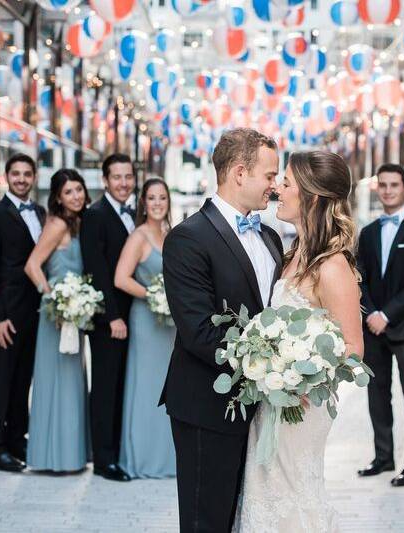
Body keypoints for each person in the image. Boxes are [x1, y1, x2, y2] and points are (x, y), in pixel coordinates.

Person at [162, 128, 283, 532]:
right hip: (207, 405)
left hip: (263, 406)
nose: (275, 185)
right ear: (239, 172)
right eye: (269, 176)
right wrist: (269, 367)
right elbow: (198, 332)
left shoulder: (270, 237)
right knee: (206, 521)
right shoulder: (188, 238)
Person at [235, 151, 363, 532]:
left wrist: (299, 376)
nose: (277, 188)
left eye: (287, 183)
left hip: (302, 406)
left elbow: (354, 348)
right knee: (265, 490)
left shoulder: (333, 266)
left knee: (292, 494)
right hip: (270, 400)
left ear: (313, 196)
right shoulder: (293, 253)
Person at [355, 163, 404, 487]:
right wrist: (371, 313)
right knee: (377, 394)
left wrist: (386, 314)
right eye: (383, 185)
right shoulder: (369, 232)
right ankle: (383, 457)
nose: (388, 190)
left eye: (394, 185)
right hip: (372, 330)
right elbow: (359, 279)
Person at [0, 153, 45, 472]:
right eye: (15, 174)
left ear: (34, 178)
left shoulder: (41, 213)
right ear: (7, 177)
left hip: (34, 312)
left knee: (22, 380)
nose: (21, 179)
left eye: (27, 174)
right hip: (5, 313)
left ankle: (17, 437)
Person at [23, 169, 92, 473]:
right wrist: (53, 299)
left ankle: (68, 455)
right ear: (57, 197)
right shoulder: (57, 224)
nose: (76, 196)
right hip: (56, 316)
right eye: (68, 192)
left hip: (74, 313)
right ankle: (51, 456)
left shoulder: (77, 223)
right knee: (56, 381)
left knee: (72, 381)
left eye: (79, 189)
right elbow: (32, 265)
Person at [80, 153, 137, 482]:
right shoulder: (96, 215)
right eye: (117, 177)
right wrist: (112, 317)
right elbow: (96, 270)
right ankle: (104, 459)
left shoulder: (131, 214)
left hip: (130, 318)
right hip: (108, 322)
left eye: (128, 177)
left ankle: (117, 451)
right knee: (104, 389)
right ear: (105, 181)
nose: (123, 183)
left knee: (119, 386)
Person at [115, 178, 176, 479]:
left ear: (168, 202)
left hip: (170, 325)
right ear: (143, 203)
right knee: (146, 386)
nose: (156, 203)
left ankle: (166, 458)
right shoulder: (138, 237)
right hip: (146, 320)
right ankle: (141, 458)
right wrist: (155, 296)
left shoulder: (170, 234)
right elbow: (121, 278)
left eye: (161, 198)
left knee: (168, 386)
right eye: (151, 198)